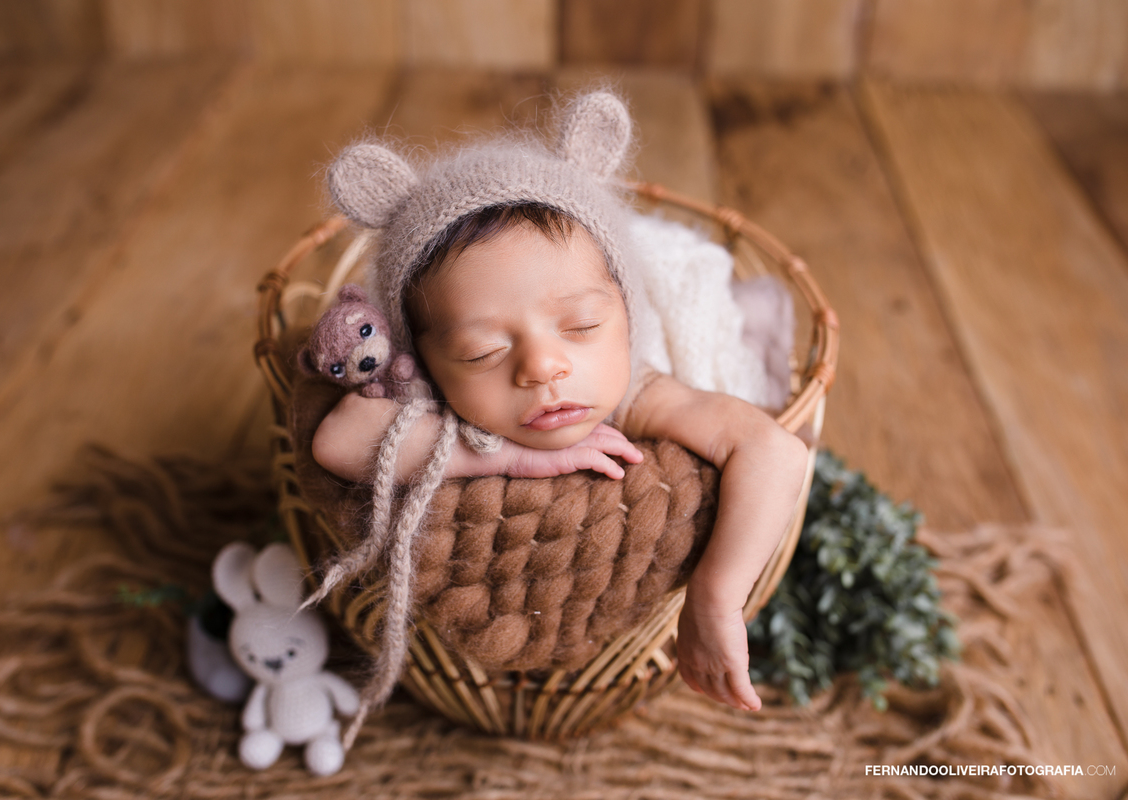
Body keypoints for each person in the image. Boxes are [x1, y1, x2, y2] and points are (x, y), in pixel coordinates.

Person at [310, 90, 808, 714]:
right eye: (481, 352)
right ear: (425, 363)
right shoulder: (429, 395)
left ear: (628, 319)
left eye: (581, 327)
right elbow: (336, 440)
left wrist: (716, 595)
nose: (544, 366)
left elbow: (774, 449)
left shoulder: (637, 389)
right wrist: (503, 456)